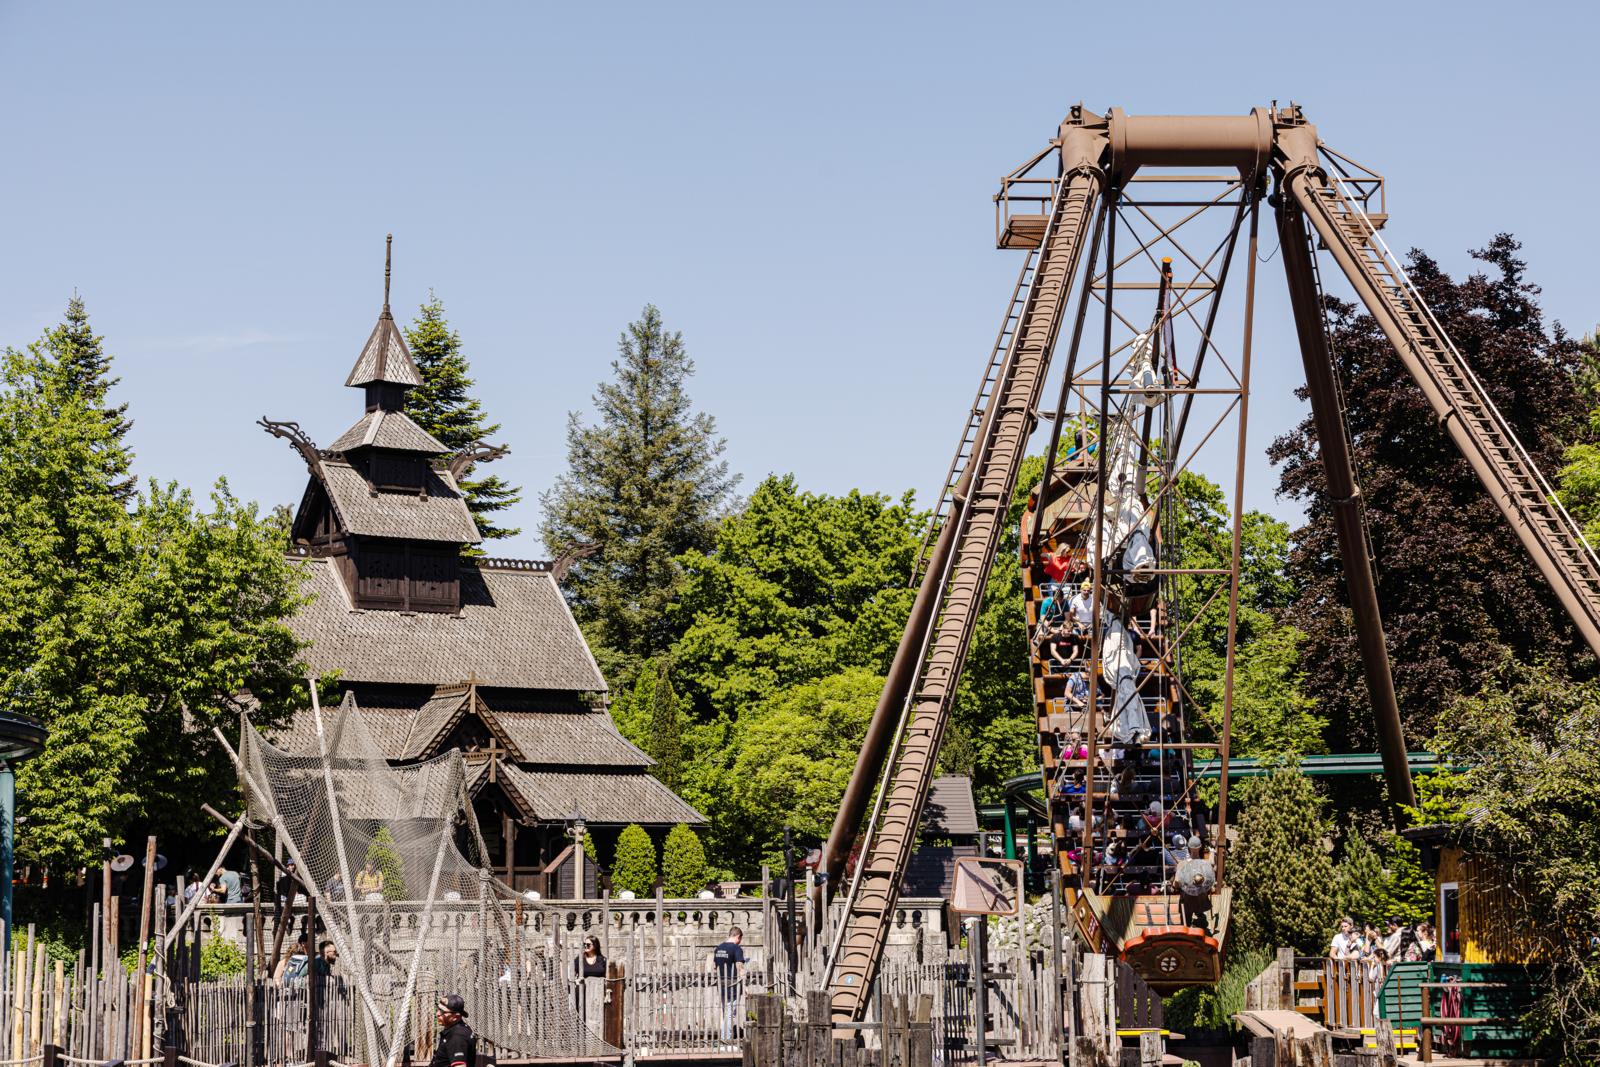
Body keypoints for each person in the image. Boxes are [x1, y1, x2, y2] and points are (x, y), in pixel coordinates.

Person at [709, 927, 746, 1043]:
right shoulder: (737, 949)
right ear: (738, 936)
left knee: (726, 1012)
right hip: (734, 985)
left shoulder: (718, 948)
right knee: (730, 1014)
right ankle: (727, 1038)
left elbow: (714, 967)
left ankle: (724, 1036)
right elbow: (740, 968)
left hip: (722, 985)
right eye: (740, 939)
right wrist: (745, 986)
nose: (740, 942)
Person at [430, 994, 475, 1067]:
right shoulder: (454, 1029)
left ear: (455, 1017)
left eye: (442, 1012)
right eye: (438, 1009)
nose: (437, 1013)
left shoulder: (457, 1036)